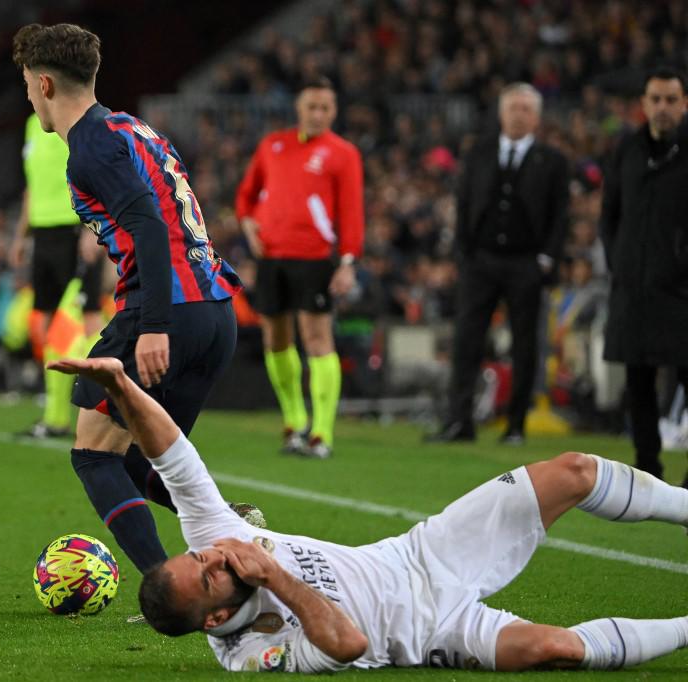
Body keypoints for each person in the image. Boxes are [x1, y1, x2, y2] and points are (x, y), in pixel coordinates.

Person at [51, 355, 688, 673]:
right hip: (433, 632)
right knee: (557, 648)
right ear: (214, 618)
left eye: (198, 556)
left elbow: (174, 459)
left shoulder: (215, 539)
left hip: (422, 554)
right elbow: (349, 643)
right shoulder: (249, 653)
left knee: (573, 471)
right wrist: (274, 577)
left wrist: (120, 386)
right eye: (209, 575)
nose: (214, 557)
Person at [13, 23, 247, 575]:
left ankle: (167, 589)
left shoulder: (90, 146)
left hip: (166, 312)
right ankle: (243, 542)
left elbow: (147, 225)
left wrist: (154, 326)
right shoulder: (132, 128)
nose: (28, 98)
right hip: (214, 313)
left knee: (94, 455)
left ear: (44, 84)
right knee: (148, 462)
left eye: (26, 85)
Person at [428, 83, 569, 445]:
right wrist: (463, 253)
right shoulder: (479, 153)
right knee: (467, 340)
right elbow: (463, 203)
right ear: (501, 113)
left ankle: (516, 425)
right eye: (513, 108)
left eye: (526, 109)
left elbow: (560, 215)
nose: (518, 115)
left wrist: (545, 260)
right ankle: (459, 421)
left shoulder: (552, 160)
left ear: (536, 118)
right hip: (481, 261)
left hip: (526, 263)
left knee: (525, 345)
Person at [235, 76, 364, 459]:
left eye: (325, 108)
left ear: (334, 111)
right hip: (272, 257)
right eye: (312, 107)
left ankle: (322, 433)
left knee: (317, 338)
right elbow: (246, 196)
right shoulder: (273, 145)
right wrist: (248, 224)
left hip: (315, 258)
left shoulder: (343, 153)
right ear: (299, 108)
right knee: (276, 338)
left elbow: (351, 211)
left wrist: (348, 261)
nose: (318, 114)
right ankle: (294, 422)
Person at [600, 67, 688, 485]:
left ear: (684, 103)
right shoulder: (628, 149)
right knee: (638, 379)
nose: (662, 107)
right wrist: (618, 262)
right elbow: (609, 215)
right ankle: (647, 469)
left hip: (682, 289)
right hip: (634, 285)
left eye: (671, 99)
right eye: (656, 99)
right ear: (644, 104)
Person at [10, 112, 105, 439]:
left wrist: (92, 227)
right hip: (43, 234)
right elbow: (32, 186)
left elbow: (96, 173)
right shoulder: (32, 125)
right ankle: (56, 418)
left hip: (74, 230)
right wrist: (21, 235)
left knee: (86, 320)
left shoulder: (76, 118)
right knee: (47, 325)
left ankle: (117, 403)